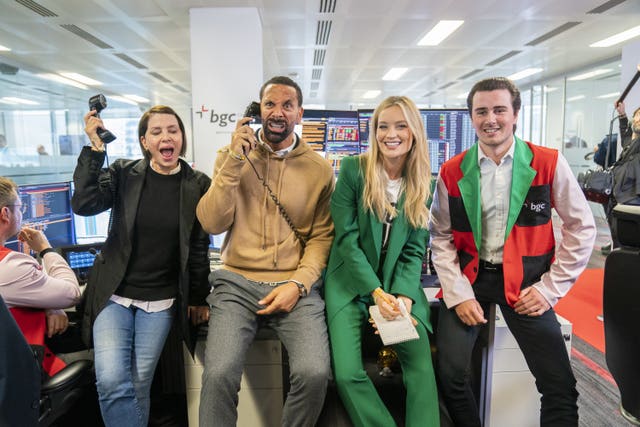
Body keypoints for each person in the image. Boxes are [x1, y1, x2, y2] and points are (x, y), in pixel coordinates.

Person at [429, 77, 596, 427]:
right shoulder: (452, 171)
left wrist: (549, 289)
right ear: (472, 117)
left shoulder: (547, 163)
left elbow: (581, 228)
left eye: (500, 110)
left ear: (515, 114)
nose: (491, 119)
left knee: (559, 384)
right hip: (470, 280)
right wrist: (458, 295)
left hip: (526, 284)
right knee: (451, 375)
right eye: (482, 111)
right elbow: (441, 238)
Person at [196, 75, 335, 426]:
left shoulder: (319, 169)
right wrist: (234, 162)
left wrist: (299, 283)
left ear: (299, 114)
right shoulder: (230, 158)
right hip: (236, 283)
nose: (277, 112)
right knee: (218, 374)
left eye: (287, 105)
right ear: (258, 110)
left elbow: (321, 237)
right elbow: (211, 223)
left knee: (315, 373)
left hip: (295, 286)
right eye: (269, 104)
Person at [71, 105, 212, 427]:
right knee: (110, 380)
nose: (167, 137)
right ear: (144, 141)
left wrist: (198, 297)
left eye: (173, 130)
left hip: (160, 301)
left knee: (137, 384)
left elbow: (199, 247)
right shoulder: (124, 174)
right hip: (115, 295)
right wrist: (95, 149)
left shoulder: (198, 184)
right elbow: (84, 204)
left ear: (182, 138)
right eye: (157, 131)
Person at [324, 96, 439, 427]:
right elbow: (345, 241)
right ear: (374, 133)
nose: (391, 134)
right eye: (383, 126)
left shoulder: (423, 183)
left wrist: (402, 296)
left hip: (396, 284)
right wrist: (375, 293)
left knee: (420, 366)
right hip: (349, 282)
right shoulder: (353, 171)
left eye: (401, 125)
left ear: (414, 131)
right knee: (347, 374)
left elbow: (416, 248)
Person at [0, 176, 81, 340]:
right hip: (26, 359)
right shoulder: (11, 266)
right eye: (20, 208)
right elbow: (72, 293)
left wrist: (48, 303)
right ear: (5, 213)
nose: (22, 214)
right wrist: (45, 249)